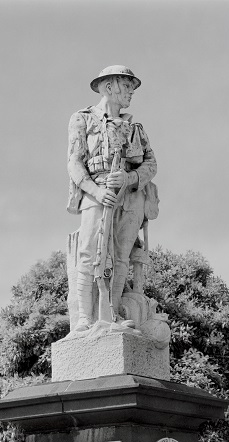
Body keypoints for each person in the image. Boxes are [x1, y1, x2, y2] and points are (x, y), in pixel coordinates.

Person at [67, 65, 157, 332]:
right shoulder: (83, 119)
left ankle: (113, 312)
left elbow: (151, 164)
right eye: (126, 85)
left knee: (121, 257)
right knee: (88, 253)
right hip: (96, 191)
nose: (131, 92)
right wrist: (96, 191)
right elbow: (74, 162)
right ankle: (85, 317)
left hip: (129, 196)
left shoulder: (135, 128)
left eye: (131, 86)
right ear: (109, 87)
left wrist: (129, 179)